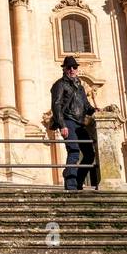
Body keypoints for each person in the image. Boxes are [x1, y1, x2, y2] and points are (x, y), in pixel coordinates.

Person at [50, 55, 96, 192]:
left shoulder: (80, 86)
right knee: (74, 151)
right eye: (68, 67)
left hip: (80, 124)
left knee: (89, 154)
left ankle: (78, 181)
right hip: (68, 121)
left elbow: (86, 106)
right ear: (64, 69)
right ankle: (70, 185)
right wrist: (62, 124)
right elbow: (56, 105)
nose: (71, 69)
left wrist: (95, 110)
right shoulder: (59, 84)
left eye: (74, 67)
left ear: (77, 69)